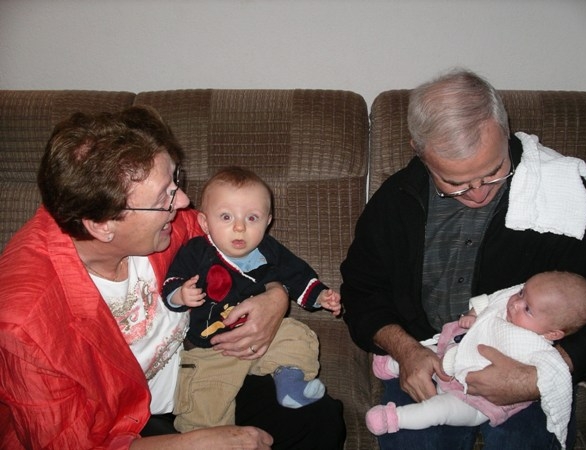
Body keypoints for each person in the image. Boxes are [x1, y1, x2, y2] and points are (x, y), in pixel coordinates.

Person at [0, 106, 346, 449]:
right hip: (121, 427)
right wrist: (193, 444)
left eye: (175, 182)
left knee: (318, 420)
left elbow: (243, 249)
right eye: (165, 196)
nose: (183, 201)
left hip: (199, 367)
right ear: (102, 225)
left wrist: (276, 295)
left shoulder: (167, 225)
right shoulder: (25, 325)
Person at [340, 68, 586, 450]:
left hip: (530, 359)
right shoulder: (395, 203)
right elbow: (361, 292)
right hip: (431, 355)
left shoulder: (561, 196)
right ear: (419, 150)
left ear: (505, 130)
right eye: (455, 183)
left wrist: (537, 377)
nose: (478, 193)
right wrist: (406, 350)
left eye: (493, 173)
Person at [162, 166, 342, 431]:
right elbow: (172, 280)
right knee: (203, 400)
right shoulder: (196, 251)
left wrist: (320, 296)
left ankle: (290, 382)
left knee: (297, 335)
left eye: (252, 218)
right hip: (213, 349)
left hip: (265, 340)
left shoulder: (269, 250)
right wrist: (180, 294)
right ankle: (205, 433)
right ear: (204, 222)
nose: (239, 227)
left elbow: (297, 274)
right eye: (226, 217)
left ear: (267, 221)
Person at [366, 271, 586, 449]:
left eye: (527, 309)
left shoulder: (542, 352)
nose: (515, 303)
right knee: (430, 352)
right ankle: (392, 364)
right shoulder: (514, 302)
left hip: (479, 401)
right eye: (521, 293)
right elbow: (491, 300)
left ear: (553, 333)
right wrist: (473, 315)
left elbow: (556, 380)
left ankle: (394, 418)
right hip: (455, 354)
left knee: (440, 411)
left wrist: (551, 411)